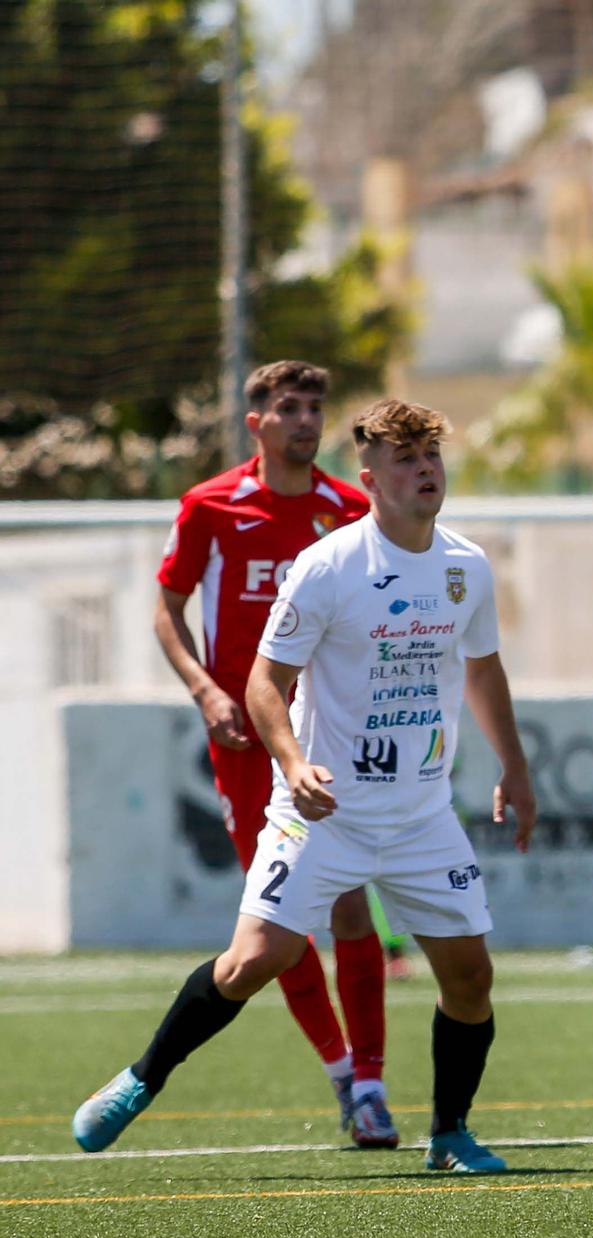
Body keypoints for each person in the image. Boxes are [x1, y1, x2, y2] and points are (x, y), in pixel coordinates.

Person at [75, 399, 537, 1173]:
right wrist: (292, 762)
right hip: (323, 811)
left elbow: (483, 668)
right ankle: (140, 1079)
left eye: (432, 458)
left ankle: (449, 1134)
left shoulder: (466, 566)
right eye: (406, 461)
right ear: (370, 480)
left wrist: (514, 767)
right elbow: (264, 682)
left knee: (471, 977)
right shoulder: (328, 567)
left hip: (421, 815)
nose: (425, 472)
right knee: (251, 961)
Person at [153, 360, 396, 1145]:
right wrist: (205, 690)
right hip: (243, 740)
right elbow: (168, 608)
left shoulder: (351, 510)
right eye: (288, 407)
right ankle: (336, 1072)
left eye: (314, 408)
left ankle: (369, 1083)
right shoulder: (211, 506)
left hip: (325, 741)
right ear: (254, 421)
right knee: (279, 925)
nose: (304, 421)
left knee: (353, 903)